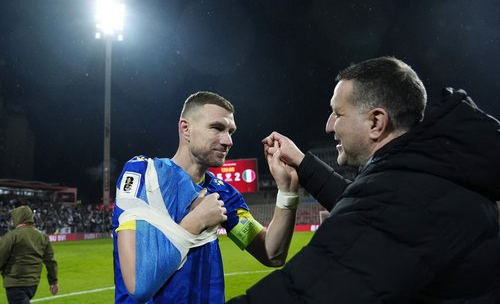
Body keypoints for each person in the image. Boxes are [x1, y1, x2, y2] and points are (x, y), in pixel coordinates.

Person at [227, 56, 500, 303]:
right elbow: (370, 207)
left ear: (375, 122)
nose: (329, 125)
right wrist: (303, 162)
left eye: (338, 113)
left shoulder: (401, 199)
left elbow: (302, 295)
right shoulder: (435, 170)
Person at [112, 91, 299, 303]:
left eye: (231, 131)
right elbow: (139, 283)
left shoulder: (224, 195)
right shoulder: (144, 174)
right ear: (186, 129)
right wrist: (197, 221)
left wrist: (287, 191)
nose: (228, 140)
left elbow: (272, 255)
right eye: (217, 128)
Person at [0, 205, 59, 304]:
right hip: (33, 284)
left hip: (15, 283)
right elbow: (50, 261)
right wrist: (53, 282)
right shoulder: (43, 236)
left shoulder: (11, 236)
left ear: (17, 217)